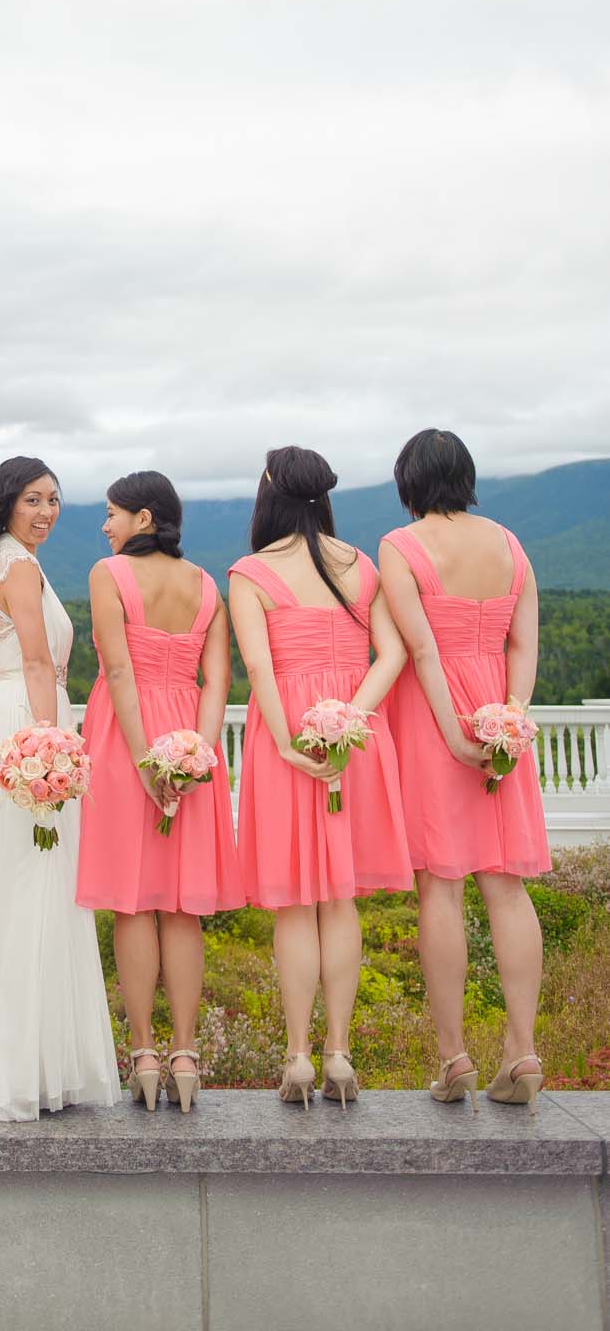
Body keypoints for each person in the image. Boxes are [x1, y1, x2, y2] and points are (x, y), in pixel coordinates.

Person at [0, 456, 119, 1121]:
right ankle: (25, 1067)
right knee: (31, 884)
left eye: (53, 500)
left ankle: (34, 1061)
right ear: (6, 503)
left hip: (12, 715)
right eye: (32, 500)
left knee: (22, 885)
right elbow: (38, 660)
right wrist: (52, 745)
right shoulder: (16, 565)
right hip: (26, 721)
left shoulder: (4, 560)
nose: (45, 512)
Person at [229, 446, 410, 1109]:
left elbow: (260, 669)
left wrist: (288, 742)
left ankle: (298, 1056)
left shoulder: (249, 572)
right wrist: (347, 724)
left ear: (268, 494)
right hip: (355, 741)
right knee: (340, 901)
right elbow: (391, 653)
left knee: (295, 904)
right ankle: (338, 1052)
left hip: (286, 740)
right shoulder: (359, 564)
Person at [379, 428, 548, 1114]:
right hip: (498, 717)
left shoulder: (400, 546)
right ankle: (522, 1048)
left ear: (409, 480)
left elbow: (420, 651)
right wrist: (507, 721)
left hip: (433, 721)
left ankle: (452, 1055)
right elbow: (524, 642)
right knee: (506, 888)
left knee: (439, 888)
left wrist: (453, 734)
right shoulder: (509, 544)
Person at [76, 470, 243, 1112]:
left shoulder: (108, 573)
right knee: (181, 906)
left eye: (114, 513)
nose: (105, 525)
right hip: (187, 734)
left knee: (133, 901)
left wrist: (147, 760)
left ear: (144, 518)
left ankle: (143, 1052)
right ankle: (185, 1052)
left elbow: (118, 667)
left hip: (127, 735)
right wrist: (193, 755)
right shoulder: (206, 584)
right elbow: (218, 677)